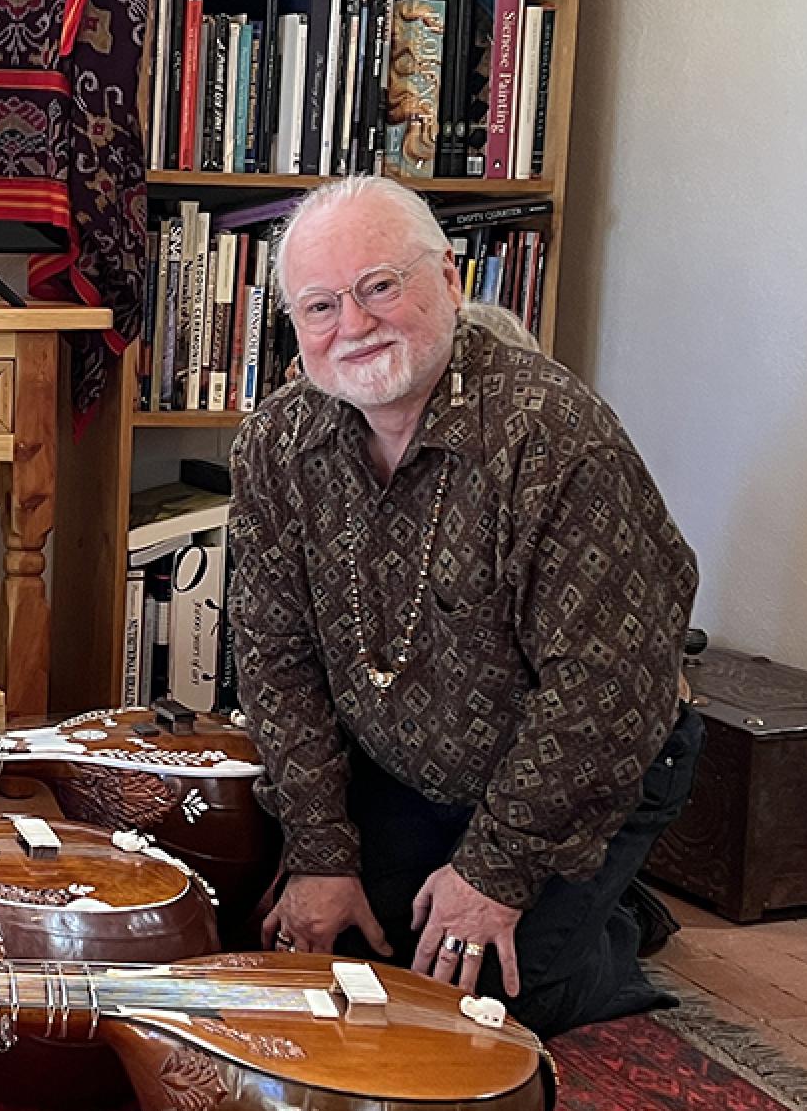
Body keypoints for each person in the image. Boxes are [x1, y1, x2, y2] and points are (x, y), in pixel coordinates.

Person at [226, 176, 701, 1039]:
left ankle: (614, 917)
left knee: (483, 1004)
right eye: (321, 306)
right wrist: (321, 852)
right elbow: (274, 657)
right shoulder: (274, 443)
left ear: (448, 279)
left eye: (380, 286)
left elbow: (605, 692)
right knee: (310, 944)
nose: (355, 326)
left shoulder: (559, 438)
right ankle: (583, 890)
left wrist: (498, 873)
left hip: (591, 762)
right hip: (403, 766)